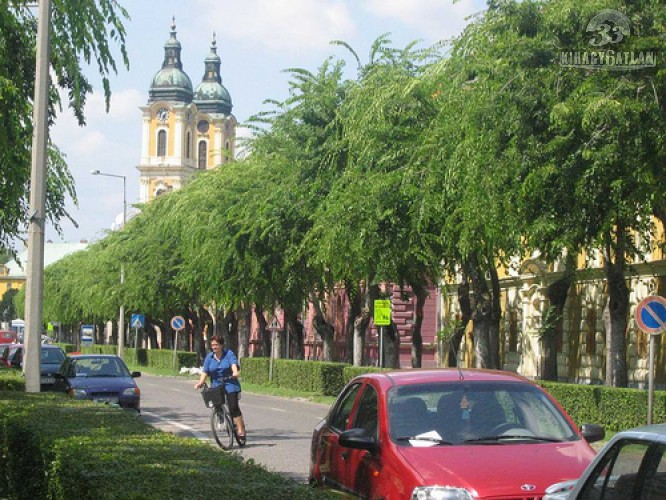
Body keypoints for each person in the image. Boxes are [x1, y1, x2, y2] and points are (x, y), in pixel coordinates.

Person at [194, 335, 246, 441]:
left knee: (233, 407)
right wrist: (200, 382)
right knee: (216, 404)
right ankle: (220, 418)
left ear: (221, 345)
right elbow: (205, 371)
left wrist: (235, 372)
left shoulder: (229, 354)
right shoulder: (209, 357)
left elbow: (233, 364)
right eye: (212, 345)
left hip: (230, 383)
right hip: (216, 384)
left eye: (216, 345)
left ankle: (241, 430)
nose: (214, 347)